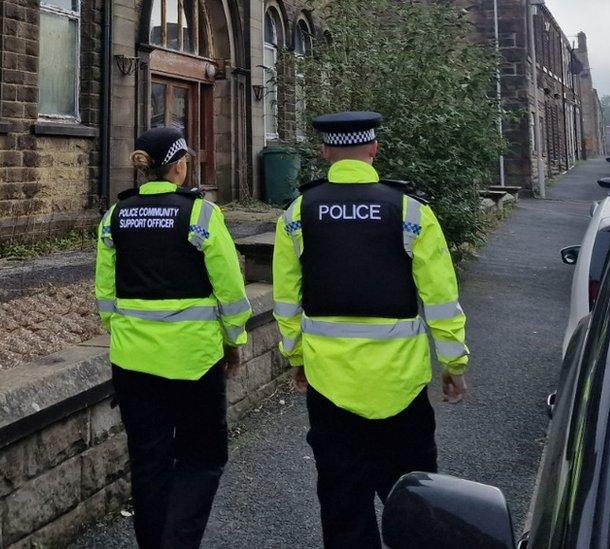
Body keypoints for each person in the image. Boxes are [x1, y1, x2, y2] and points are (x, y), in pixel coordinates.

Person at [272, 111, 471, 548]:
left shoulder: (297, 214)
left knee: (343, 508)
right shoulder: (411, 211)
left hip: (330, 388)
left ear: (325, 152)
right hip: (400, 387)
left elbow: (286, 301)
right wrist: (452, 362)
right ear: (374, 149)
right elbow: (440, 298)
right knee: (415, 504)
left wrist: (297, 358)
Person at [95, 127, 251, 549]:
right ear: (180, 167)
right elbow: (231, 293)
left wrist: (128, 337)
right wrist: (233, 341)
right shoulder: (201, 215)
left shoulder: (116, 217)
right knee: (202, 457)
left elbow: (105, 297)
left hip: (132, 366)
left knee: (149, 462)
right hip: (194, 363)